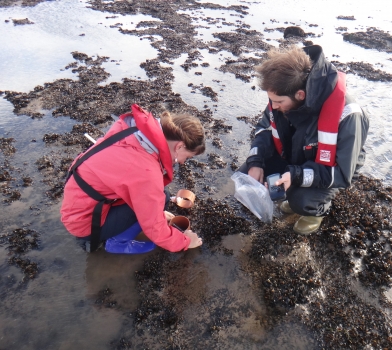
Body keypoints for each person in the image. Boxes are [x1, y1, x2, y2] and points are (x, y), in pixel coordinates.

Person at [239, 45, 370, 235]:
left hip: (331, 168)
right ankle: (290, 186)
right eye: (271, 101)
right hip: (295, 153)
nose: (273, 107)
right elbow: (263, 129)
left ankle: (314, 212)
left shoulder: (349, 114)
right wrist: (255, 162)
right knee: (247, 173)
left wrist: (297, 175)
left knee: (300, 199)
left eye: (278, 102)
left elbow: (342, 174)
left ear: (300, 95)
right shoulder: (282, 95)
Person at [60, 104, 205, 254]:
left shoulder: (135, 131)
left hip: (78, 202)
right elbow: (155, 229)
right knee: (160, 199)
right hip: (85, 223)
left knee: (161, 196)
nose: (182, 162)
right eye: (187, 157)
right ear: (180, 146)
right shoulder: (145, 169)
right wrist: (186, 241)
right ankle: (116, 242)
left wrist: (157, 213)